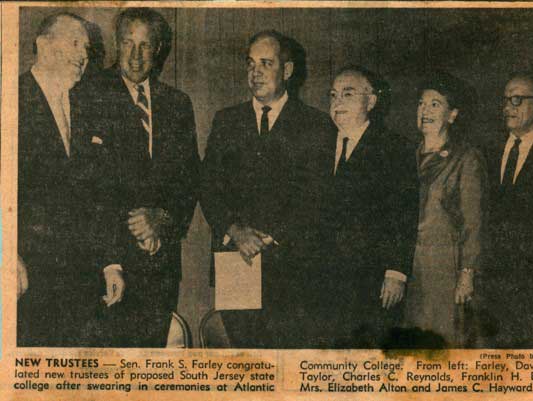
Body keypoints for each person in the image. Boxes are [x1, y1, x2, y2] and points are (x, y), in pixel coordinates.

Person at [202, 30, 333, 348]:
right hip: (235, 259)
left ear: (287, 71)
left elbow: (316, 195)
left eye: (266, 63)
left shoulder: (316, 125)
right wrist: (235, 231)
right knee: (245, 359)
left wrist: (270, 235)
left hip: (292, 266)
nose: (255, 72)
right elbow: (208, 187)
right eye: (250, 64)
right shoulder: (226, 121)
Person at [93, 8, 200, 347]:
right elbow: (86, 187)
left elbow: (189, 179)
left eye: (145, 45)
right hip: (108, 263)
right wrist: (125, 236)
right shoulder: (89, 93)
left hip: (160, 264)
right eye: (128, 44)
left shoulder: (178, 104)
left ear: (158, 49)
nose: (136, 55)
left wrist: (163, 218)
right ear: (116, 44)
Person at [17, 12, 125, 346]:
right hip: (28, 277)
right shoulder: (13, 99)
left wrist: (111, 264)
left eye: (87, 48)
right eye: (75, 43)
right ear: (43, 46)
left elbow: (100, 194)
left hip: (82, 283)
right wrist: (10, 255)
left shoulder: (86, 106)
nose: (83, 55)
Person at [313, 66, 419, 348]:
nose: (337, 103)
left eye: (348, 94)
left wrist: (396, 273)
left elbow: (404, 214)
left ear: (371, 102)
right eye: (333, 95)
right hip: (324, 280)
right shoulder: (318, 145)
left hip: (370, 282)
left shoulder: (394, 148)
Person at [403, 71, 488, 348]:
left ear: (452, 115)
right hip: (410, 267)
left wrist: (467, 273)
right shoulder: (405, 155)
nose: (424, 110)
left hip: (444, 268)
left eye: (434, 104)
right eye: (420, 103)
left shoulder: (466, 158)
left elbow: (473, 221)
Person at [484, 73, 533, 348]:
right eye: (505, 100)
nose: (507, 108)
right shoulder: (488, 151)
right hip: (492, 283)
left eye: (517, 100)